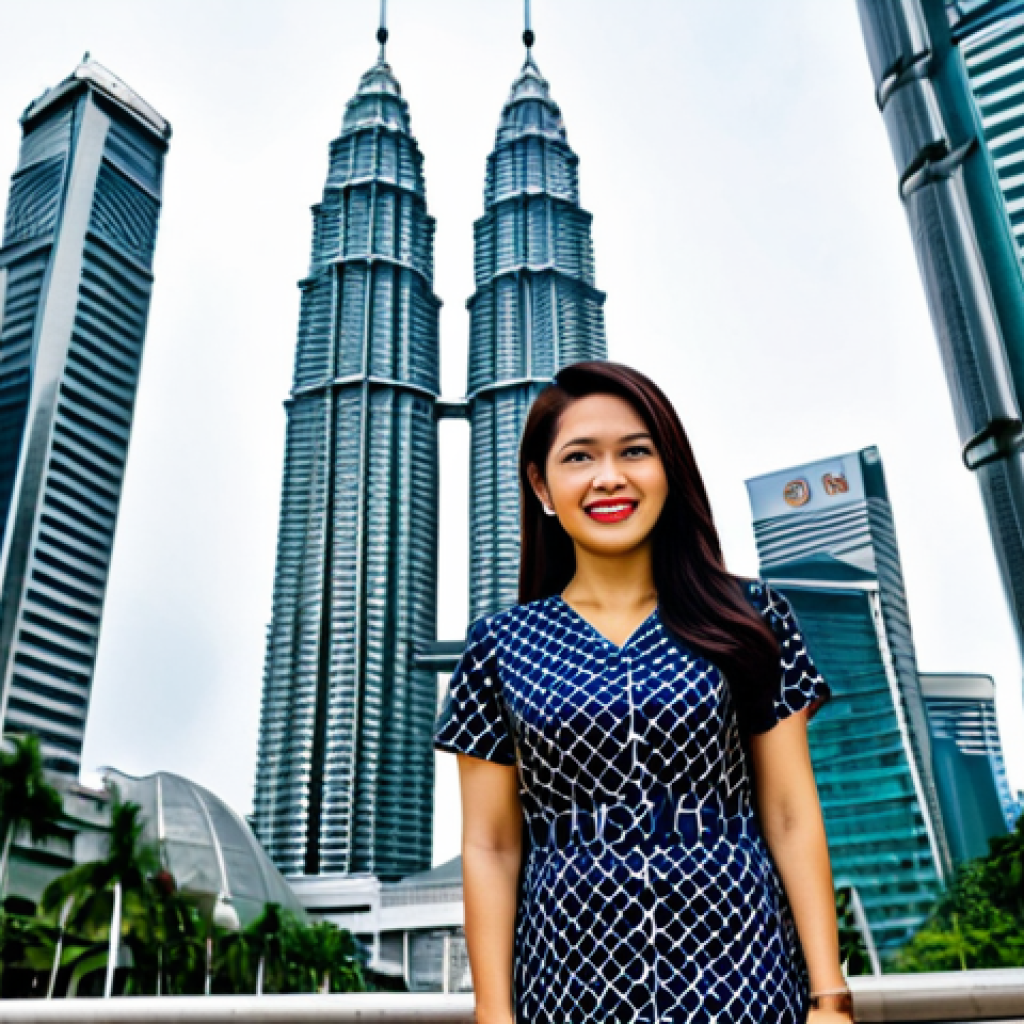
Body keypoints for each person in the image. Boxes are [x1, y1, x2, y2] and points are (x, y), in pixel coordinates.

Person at [433, 360, 855, 1024]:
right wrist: (494, 1013)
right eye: (579, 457)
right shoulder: (498, 646)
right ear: (542, 486)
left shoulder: (751, 615)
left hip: (742, 973)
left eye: (635, 451)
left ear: (669, 470)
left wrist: (829, 996)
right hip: (567, 980)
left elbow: (790, 812)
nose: (609, 476)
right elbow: (490, 845)